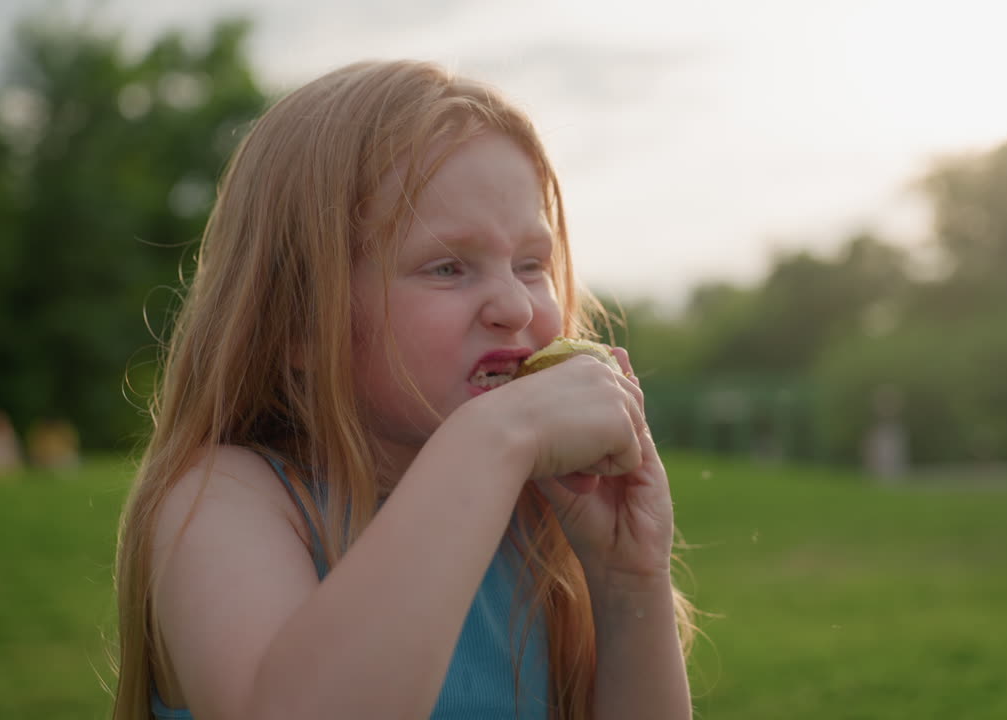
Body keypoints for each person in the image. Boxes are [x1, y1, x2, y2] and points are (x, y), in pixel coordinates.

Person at [112, 59, 696, 720]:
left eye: (532, 264)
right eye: (448, 267)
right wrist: (490, 441)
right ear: (303, 323)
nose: (514, 304)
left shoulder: (537, 524)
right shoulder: (227, 499)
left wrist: (627, 580)